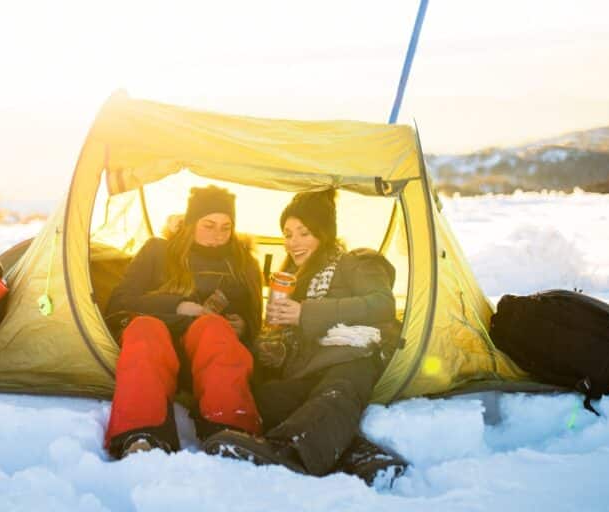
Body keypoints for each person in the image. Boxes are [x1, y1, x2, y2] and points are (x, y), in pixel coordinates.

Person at [203, 188, 409, 485]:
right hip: (310, 369)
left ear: (324, 233)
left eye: (304, 233)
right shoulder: (296, 280)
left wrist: (305, 313)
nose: (293, 243)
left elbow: (382, 303)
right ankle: (365, 458)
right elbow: (297, 339)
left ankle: (288, 452)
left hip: (355, 355)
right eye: (288, 234)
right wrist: (277, 346)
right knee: (265, 399)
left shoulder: (357, 262)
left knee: (334, 394)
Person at [103, 185, 264, 458]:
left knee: (213, 327)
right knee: (146, 327)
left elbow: (254, 322)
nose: (218, 235)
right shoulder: (157, 251)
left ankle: (232, 429)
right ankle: (142, 433)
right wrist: (178, 306)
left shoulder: (241, 263)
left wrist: (243, 326)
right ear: (191, 223)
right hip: (153, 351)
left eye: (226, 227)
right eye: (209, 225)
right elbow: (120, 302)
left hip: (207, 358)